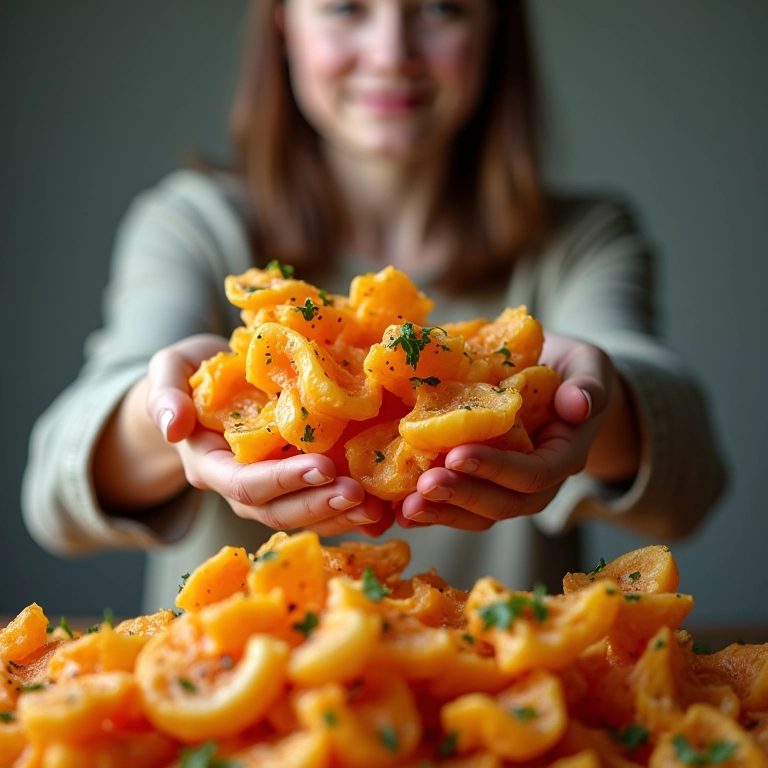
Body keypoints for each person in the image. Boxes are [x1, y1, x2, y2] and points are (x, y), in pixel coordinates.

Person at [22, 0, 726, 612]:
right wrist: (170, 416)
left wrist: (587, 404)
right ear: (284, 28)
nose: (392, 54)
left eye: (442, 6)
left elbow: (691, 479)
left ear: (496, 29)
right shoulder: (193, 226)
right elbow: (55, 497)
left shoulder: (580, 240)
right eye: (345, 6)